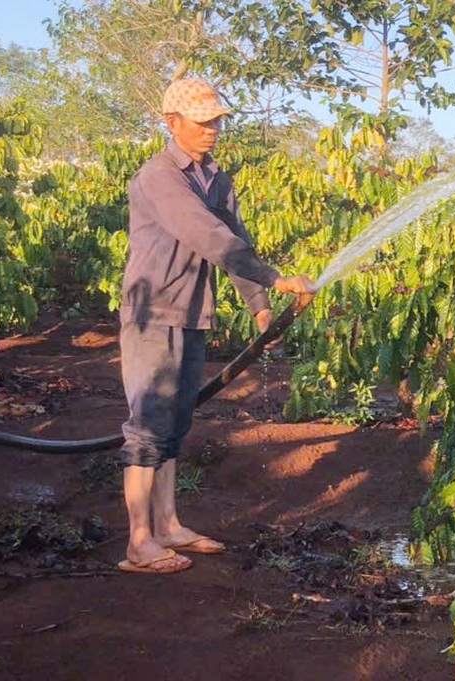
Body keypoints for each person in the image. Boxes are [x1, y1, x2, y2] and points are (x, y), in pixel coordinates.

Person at [116, 78, 313, 574]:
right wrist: (273, 276)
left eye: (217, 120)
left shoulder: (216, 180)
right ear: (172, 123)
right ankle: (139, 542)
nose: (212, 130)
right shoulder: (160, 177)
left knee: (175, 426)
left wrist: (261, 304)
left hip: (192, 314)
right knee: (148, 429)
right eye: (202, 122)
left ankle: (168, 526)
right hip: (152, 314)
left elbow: (235, 238)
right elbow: (209, 237)